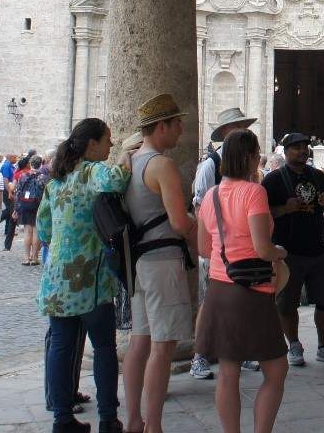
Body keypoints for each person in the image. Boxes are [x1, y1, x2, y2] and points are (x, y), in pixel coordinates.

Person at [37, 117, 129, 433]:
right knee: (104, 347)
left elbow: (43, 229)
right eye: (108, 140)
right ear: (92, 145)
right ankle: (108, 418)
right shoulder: (92, 172)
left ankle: (62, 419)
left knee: (61, 346)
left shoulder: (55, 183)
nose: (111, 145)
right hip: (90, 278)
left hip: (57, 279)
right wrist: (126, 156)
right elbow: (117, 179)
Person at [194, 129, 289, 433]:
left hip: (219, 290)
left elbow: (204, 248)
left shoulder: (210, 195)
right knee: (276, 369)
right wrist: (281, 251)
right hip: (252, 291)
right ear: (249, 158)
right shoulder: (253, 192)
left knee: (227, 372)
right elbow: (263, 248)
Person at [121, 94, 197, 433]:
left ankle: (134, 420)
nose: (181, 128)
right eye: (176, 122)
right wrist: (199, 223)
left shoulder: (131, 163)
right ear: (161, 126)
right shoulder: (162, 165)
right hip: (163, 260)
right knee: (163, 346)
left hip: (138, 263)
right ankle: (154, 425)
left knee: (140, 341)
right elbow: (180, 223)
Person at [264, 132, 324, 368]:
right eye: (296, 147)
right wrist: (284, 209)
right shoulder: (273, 180)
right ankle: (294, 344)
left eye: (305, 147)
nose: (302, 151)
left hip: (317, 249)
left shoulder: (318, 176)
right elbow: (263, 214)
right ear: (286, 151)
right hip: (288, 251)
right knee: (287, 303)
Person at [188, 107, 257, 381]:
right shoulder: (209, 165)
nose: (245, 131)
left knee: (243, 302)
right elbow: (199, 205)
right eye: (239, 127)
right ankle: (199, 355)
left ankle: (240, 349)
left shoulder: (249, 171)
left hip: (243, 248)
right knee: (210, 304)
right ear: (227, 134)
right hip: (218, 249)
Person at [16, 155, 46, 265]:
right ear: (41, 164)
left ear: (30, 164)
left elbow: (18, 192)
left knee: (27, 231)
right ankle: (34, 257)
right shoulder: (43, 177)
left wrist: (16, 208)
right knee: (36, 231)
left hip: (25, 204)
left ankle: (26, 257)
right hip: (38, 205)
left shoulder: (23, 176)